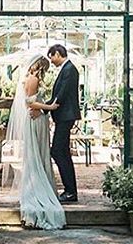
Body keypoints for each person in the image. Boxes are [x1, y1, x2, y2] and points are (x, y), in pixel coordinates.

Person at [4, 54, 66, 230]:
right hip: (35, 120)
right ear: (39, 66)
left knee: (41, 153)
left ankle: (45, 185)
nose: (45, 71)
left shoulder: (33, 79)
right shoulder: (32, 79)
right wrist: (50, 107)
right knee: (36, 156)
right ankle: (38, 189)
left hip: (39, 120)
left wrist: (44, 109)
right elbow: (30, 103)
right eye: (45, 68)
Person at [47, 43, 80, 203]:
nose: (51, 61)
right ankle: (70, 191)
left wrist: (46, 108)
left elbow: (62, 93)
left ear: (58, 54)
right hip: (63, 116)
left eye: (51, 57)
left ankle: (70, 191)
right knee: (62, 152)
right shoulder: (67, 69)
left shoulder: (69, 70)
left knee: (58, 151)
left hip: (66, 116)